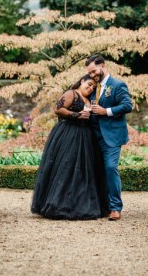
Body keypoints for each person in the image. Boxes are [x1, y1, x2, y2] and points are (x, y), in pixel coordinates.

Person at [31, 74, 108, 220]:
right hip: (68, 135)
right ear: (82, 81)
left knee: (83, 171)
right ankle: (60, 205)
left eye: (93, 87)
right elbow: (58, 109)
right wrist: (77, 115)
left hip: (85, 137)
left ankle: (79, 204)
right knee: (66, 168)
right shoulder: (71, 93)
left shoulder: (90, 100)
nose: (90, 88)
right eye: (89, 84)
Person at [86, 54, 133, 221]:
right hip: (93, 136)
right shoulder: (92, 86)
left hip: (111, 136)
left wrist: (106, 111)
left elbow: (127, 106)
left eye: (93, 71)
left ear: (103, 66)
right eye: (89, 73)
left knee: (111, 168)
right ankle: (101, 205)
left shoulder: (118, 85)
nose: (92, 75)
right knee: (96, 170)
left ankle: (115, 208)